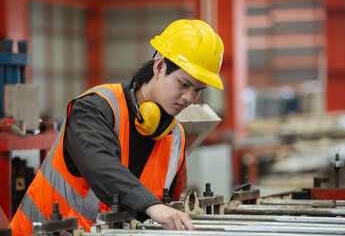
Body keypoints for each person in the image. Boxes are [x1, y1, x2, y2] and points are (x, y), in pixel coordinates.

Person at [9, 19, 224, 235]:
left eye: (198, 90)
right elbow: (99, 164)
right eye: (184, 84)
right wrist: (151, 206)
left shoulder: (175, 136)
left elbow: (174, 208)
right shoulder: (94, 108)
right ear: (159, 66)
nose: (189, 98)